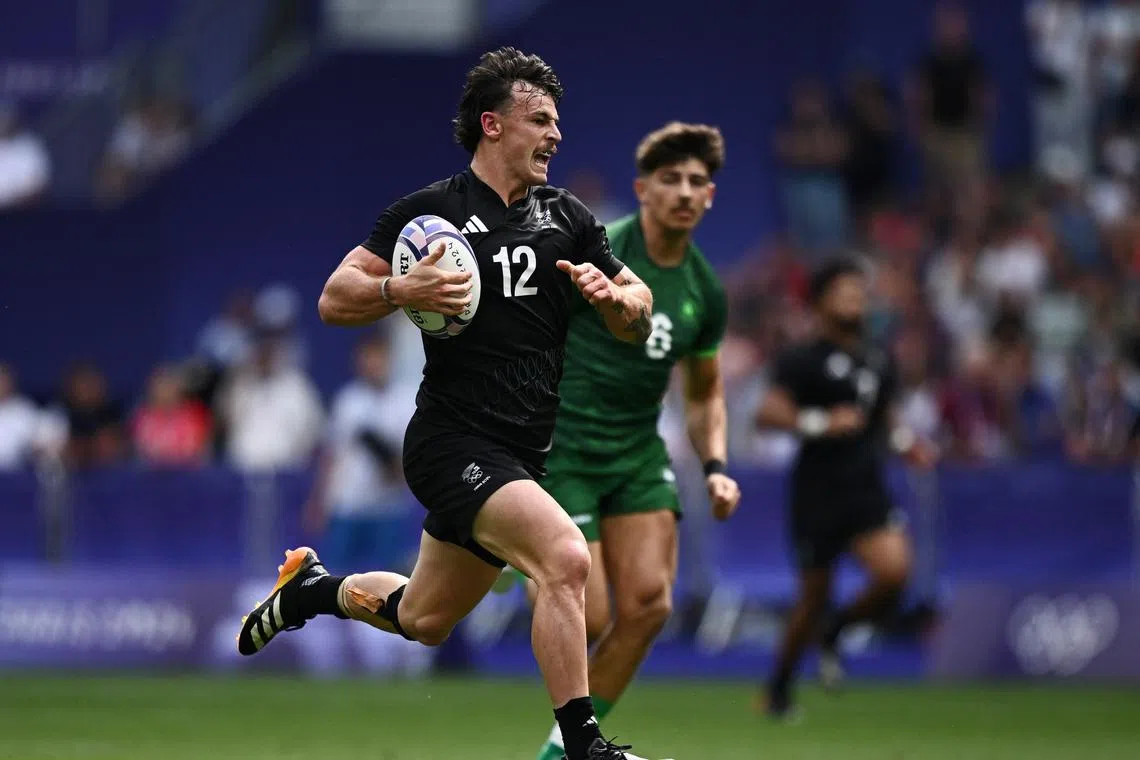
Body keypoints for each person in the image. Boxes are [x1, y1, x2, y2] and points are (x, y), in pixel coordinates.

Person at [234, 47, 665, 760]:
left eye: (558, 121)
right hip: (451, 444)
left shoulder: (570, 218)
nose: (556, 135)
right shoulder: (429, 216)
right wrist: (396, 292)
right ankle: (585, 748)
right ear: (493, 125)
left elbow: (638, 309)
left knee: (424, 616)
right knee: (564, 560)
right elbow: (333, 297)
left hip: (523, 451)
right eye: (541, 119)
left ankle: (309, 591)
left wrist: (623, 300)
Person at [523, 122, 742, 760]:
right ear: (642, 189)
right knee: (586, 616)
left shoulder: (706, 290)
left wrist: (716, 464)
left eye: (697, 182)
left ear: (710, 198)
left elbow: (704, 394)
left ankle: (560, 753)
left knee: (648, 604)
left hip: (638, 452)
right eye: (669, 179)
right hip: (563, 447)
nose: (683, 191)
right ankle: (518, 554)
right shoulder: (596, 252)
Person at [754, 259, 937, 718]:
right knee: (812, 597)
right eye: (845, 291)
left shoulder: (877, 357)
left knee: (895, 573)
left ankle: (837, 629)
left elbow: (883, 418)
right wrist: (818, 421)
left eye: (860, 291)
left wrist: (906, 443)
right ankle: (778, 688)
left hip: (865, 485)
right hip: (817, 491)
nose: (856, 299)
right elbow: (767, 414)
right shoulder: (802, 359)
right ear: (819, 301)